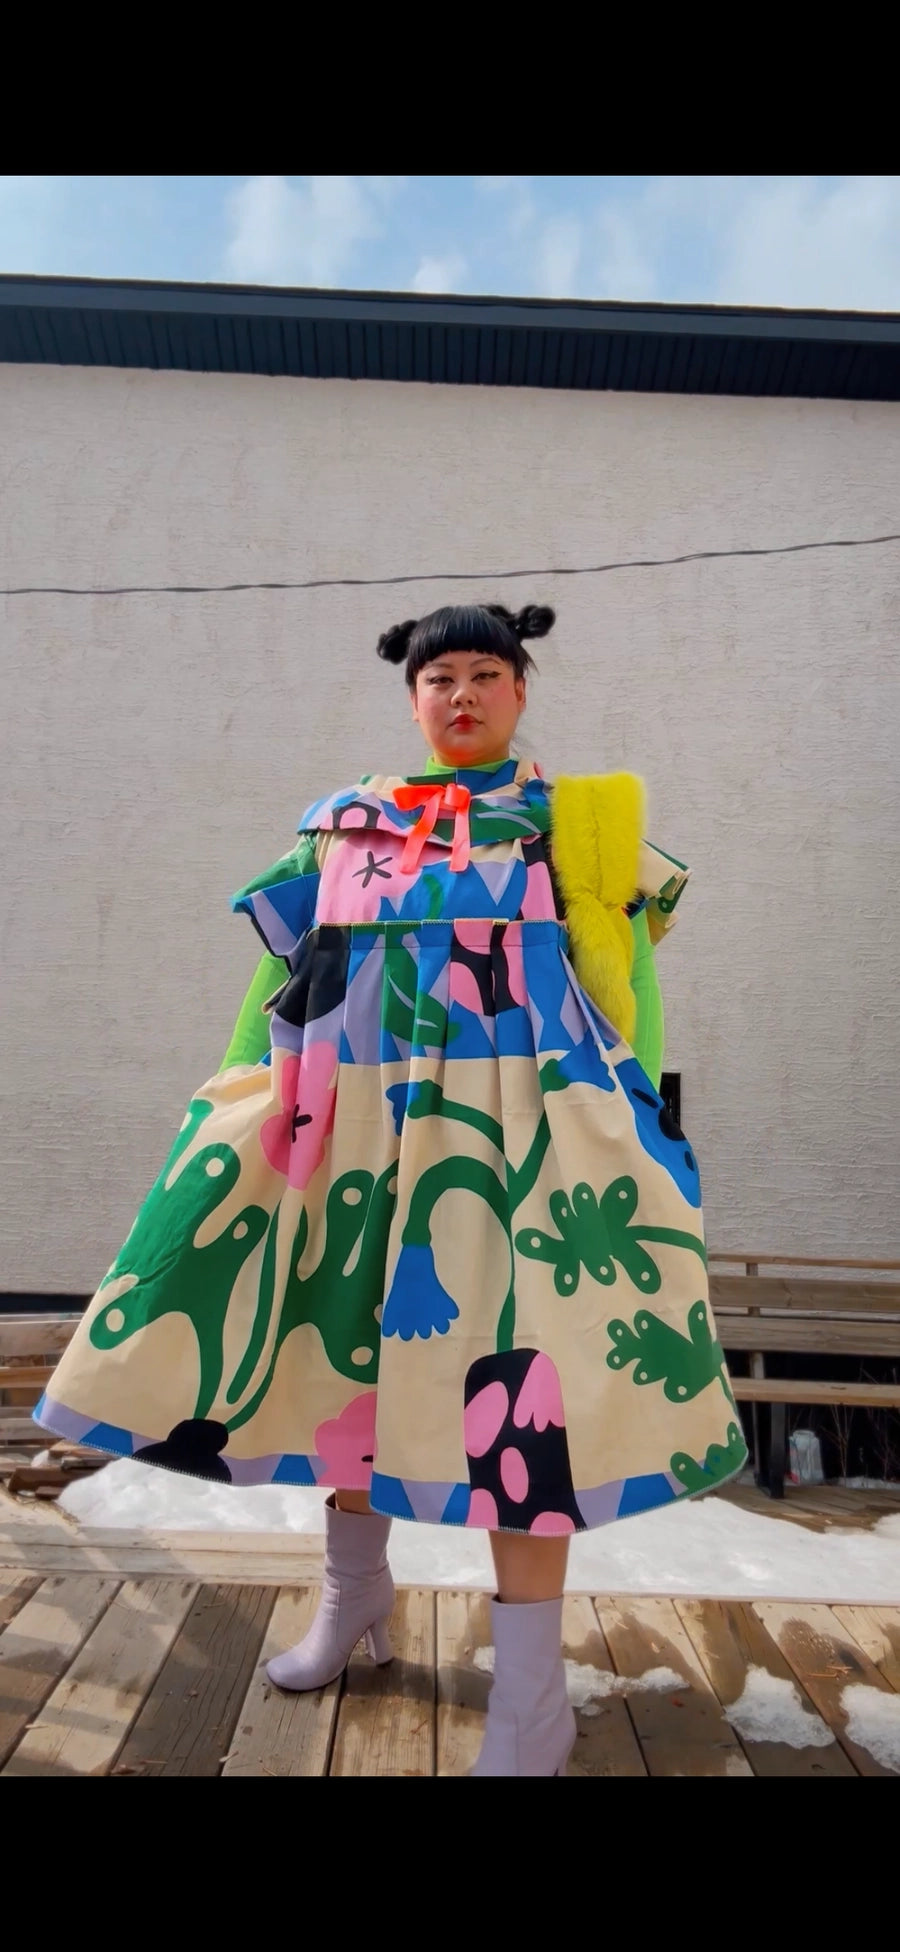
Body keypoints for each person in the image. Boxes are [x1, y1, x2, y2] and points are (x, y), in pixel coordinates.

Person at [36, 601, 747, 1777]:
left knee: (522, 1394)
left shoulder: (576, 828)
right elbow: (283, 976)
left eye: (484, 673)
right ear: (411, 697)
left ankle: (532, 1698)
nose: (461, 694)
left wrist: (636, 1121)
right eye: (439, 677)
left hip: (514, 1145)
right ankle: (353, 1594)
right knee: (343, 1357)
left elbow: (626, 988)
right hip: (349, 1129)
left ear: (520, 689)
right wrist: (236, 1095)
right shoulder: (343, 825)